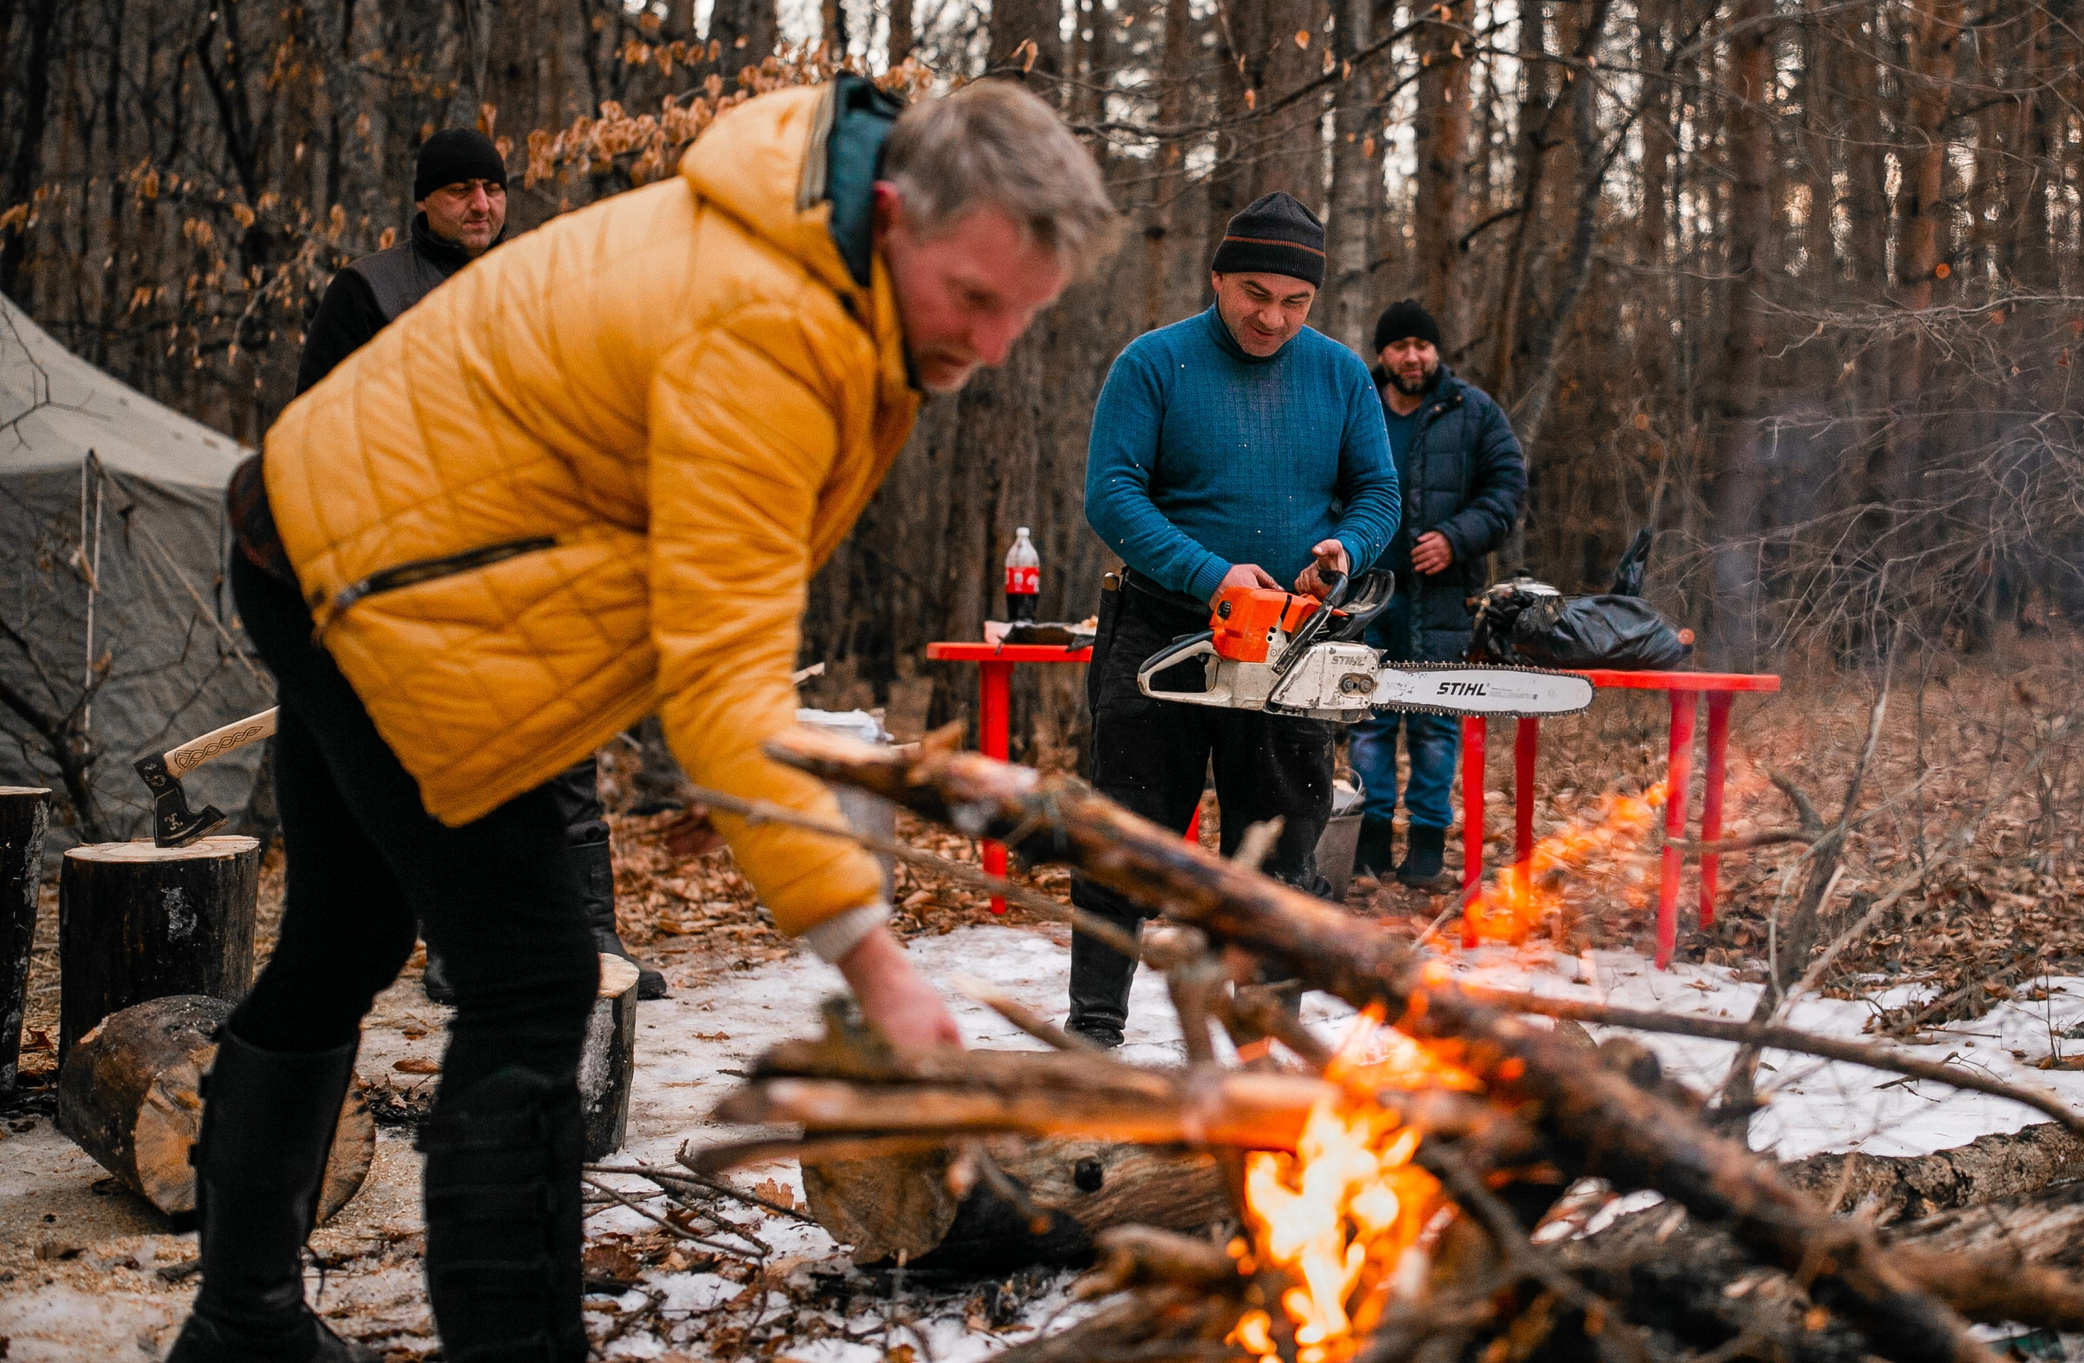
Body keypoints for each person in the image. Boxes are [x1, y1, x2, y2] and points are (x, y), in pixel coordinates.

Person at [176, 77, 1115, 1363]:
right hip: (382, 577)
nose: (993, 345)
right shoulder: (772, 327)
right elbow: (723, 691)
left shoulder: (823, 247)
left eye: (1022, 313)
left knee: (346, 934)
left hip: (328, 523)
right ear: (893, 213)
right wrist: (874, 963)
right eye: (974, 297)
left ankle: (241, 1323)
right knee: (534, 981)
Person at [294, 129, 664, 1003]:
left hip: (537, 549)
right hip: (419, 564)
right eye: (461, 188)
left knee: (565, 746)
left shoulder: (539, 284)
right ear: (424, 198)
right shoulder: (369, 291)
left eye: (492, 188)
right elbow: (312, 430)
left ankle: (591, 934)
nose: (481, 204)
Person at [1076, 193, 1400, 1048]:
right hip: (1163, 628)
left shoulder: (1340, 375)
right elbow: (1111, 493)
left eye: (1295, 301)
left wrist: (1345, 550)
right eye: (1256, 293)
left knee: (1279, 859)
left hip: (1293, 638)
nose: (1273, 317)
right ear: (1217, 277)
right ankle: (1095, 1026)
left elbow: (1378, 492)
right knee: (1126, 842)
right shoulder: (1154, 363)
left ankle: (1262, 1041)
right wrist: (1209, 572)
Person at [1348, 300, 1525, 887]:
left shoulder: (1473, 411)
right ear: (1382, 354)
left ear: (1436, 351)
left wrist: (1455, 537)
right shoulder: (1356, 404)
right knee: (1367, 719)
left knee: (1433, 722)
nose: (1412, 356)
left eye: (1421, 345)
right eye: (1400, 346)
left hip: (1444, 599)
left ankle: (1427, 844)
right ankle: (1369, 839)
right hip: (1363, 597)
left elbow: (1507, 490)